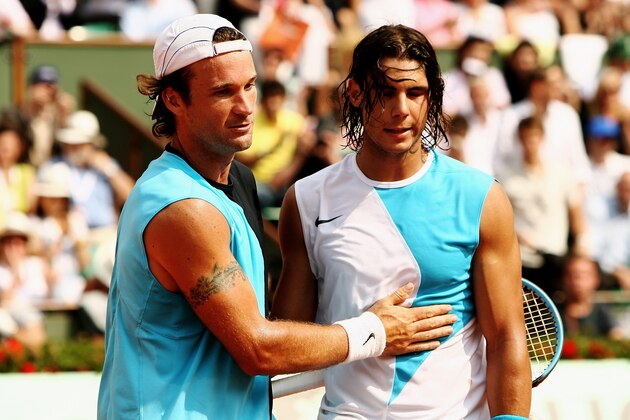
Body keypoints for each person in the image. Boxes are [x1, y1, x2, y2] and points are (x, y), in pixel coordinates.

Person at [97, 14, 458, 419]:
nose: (244, 106)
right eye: (222, 92)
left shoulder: (239, 182)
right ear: (174, 100)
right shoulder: (184, 210)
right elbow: (257, 348)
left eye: (250, 86)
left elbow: (255, 341)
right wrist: (375, 332)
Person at [271, 24, 531, 419]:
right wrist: (369, 333)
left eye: (415, 93)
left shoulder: (482, 198)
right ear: (356, 93)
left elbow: (507, 337)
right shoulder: (306, 200)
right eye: (386, 92)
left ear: (431, 98)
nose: (401, 109)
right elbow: (289, 345)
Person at [496, 116, 589, 297]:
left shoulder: (562, 173)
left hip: (555, 257)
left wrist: (581, 243)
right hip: (523, 260)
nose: (531, 143)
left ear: (542, 138)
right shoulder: (505, 176)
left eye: (534, 137)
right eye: (526, 137)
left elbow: (576, 212)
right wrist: (520, 237)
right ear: (520, 139)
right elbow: (501, 219)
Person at [557, 254, 625, 340]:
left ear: (596, 280)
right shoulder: (551, 313)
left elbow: (617, 337)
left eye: (584, 276)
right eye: (572, 275)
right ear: (563, 279)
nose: (577, 281)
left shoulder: (603, 313)